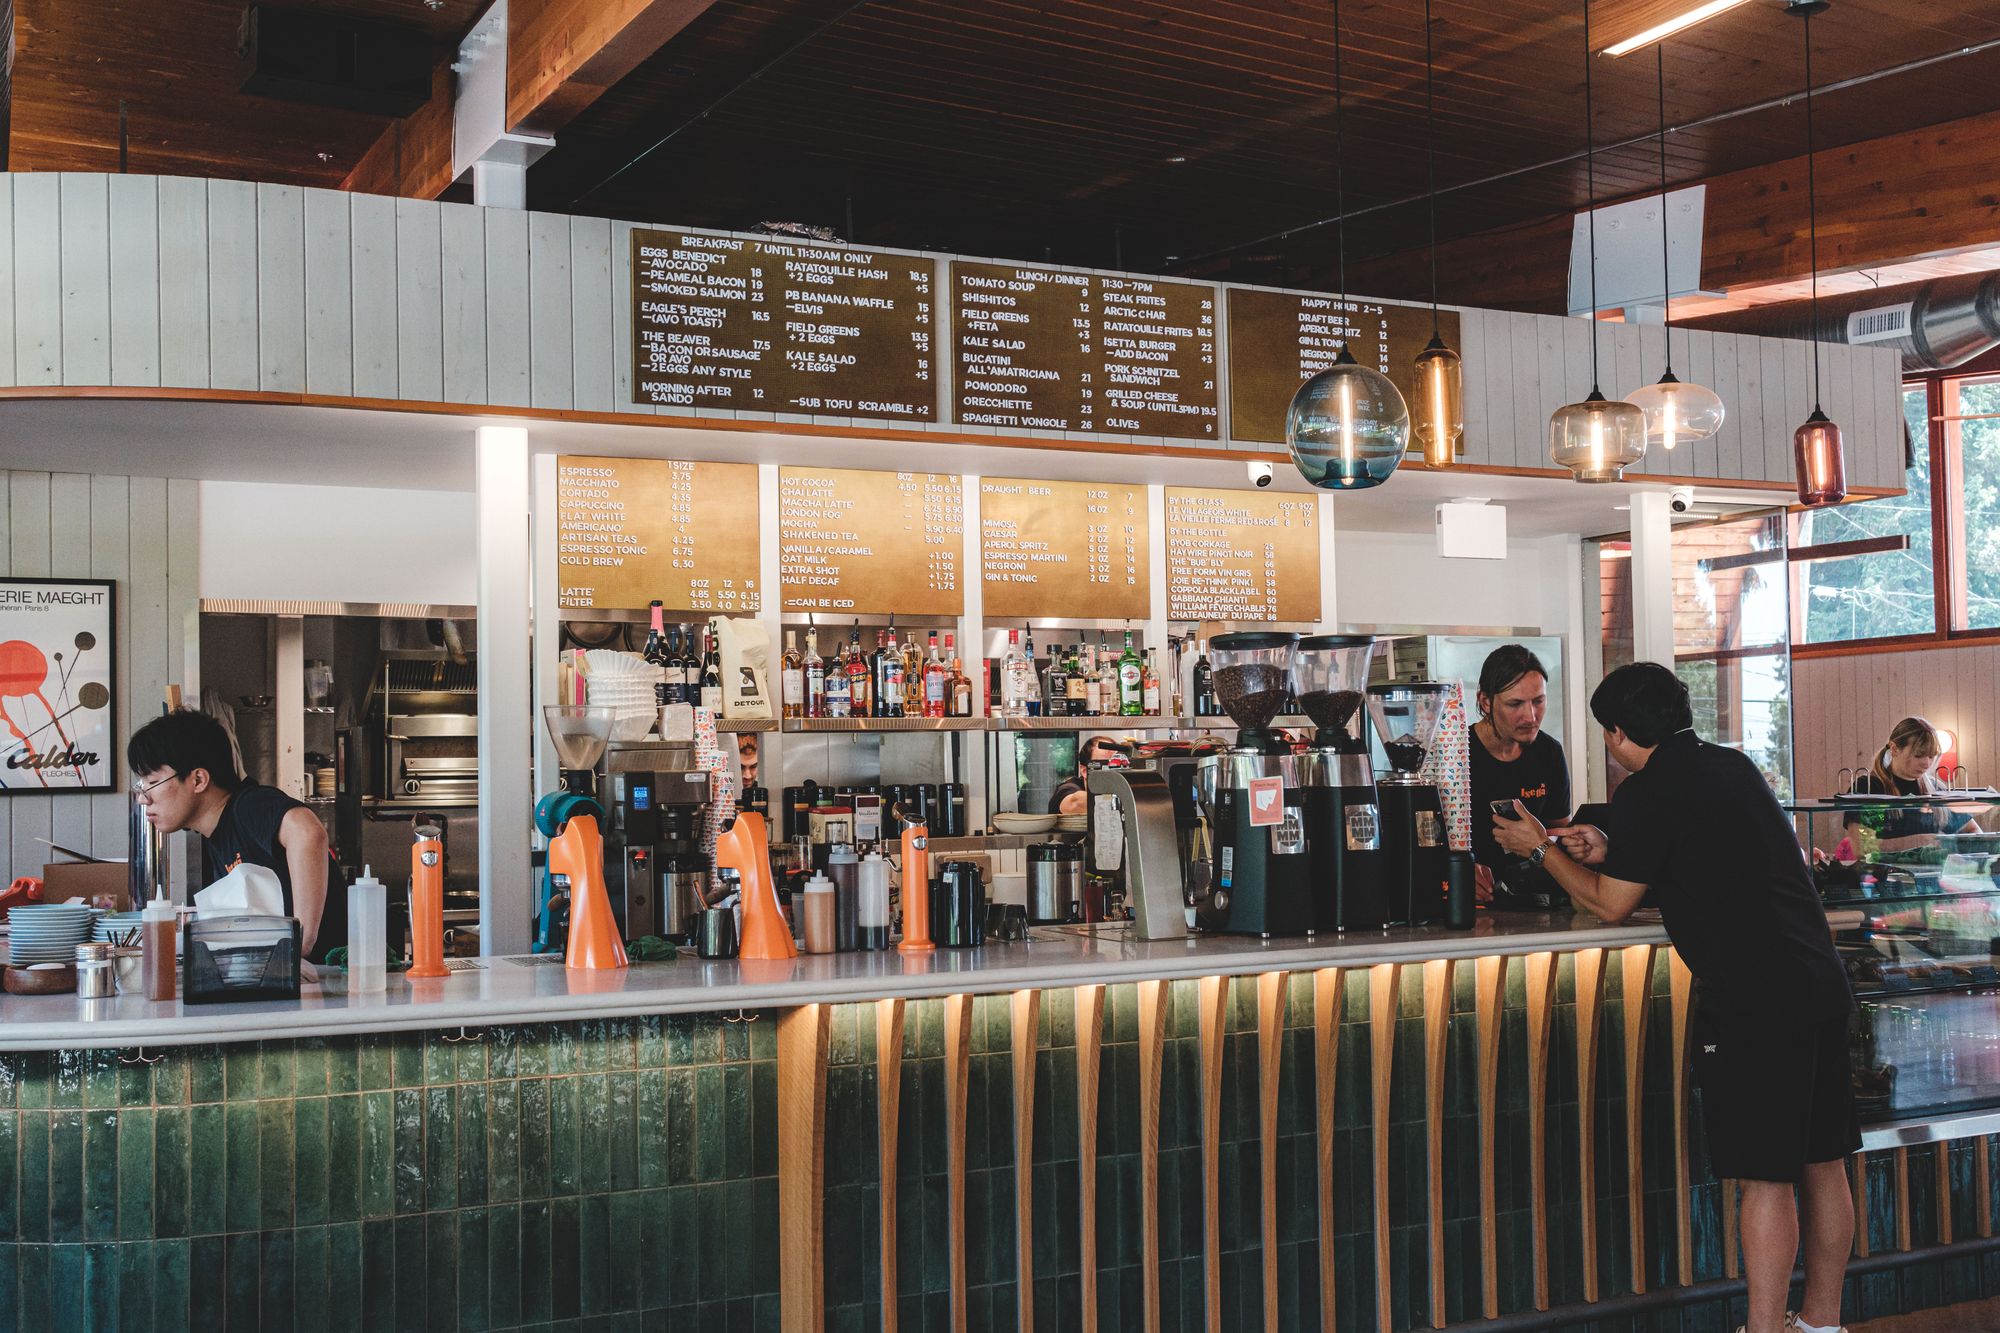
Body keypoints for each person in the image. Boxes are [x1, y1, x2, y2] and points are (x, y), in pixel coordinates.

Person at [1492, 664, 1855, 1333]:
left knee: (1766, 1178)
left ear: (1622, 735)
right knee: (1823, 1162)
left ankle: (1766, 1328)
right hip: (1821, 984)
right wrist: (1606, 844)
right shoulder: (1731, 766)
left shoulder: (1646, 792)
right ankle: (1821, 1324)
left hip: (1755, 1002)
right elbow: (1703, 855)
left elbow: (1608, 902)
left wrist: (1539, 846)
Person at [128, 709, 349, 964]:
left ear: (198, 779)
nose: (143, 798)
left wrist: (302, 939)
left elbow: (308, 832)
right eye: (141, 786)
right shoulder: (216, 837)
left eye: (152, 782)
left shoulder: (248, 806)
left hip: (331, 979)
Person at [1466, 644, 1571, 910]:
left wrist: (1577, 844)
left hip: (1535, 903)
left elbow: (1560, 832)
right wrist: (1453, 873)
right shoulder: (1456, 754)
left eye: (1538, 701)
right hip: (1467, 905)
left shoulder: (1549, 752)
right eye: (1515, 704)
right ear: (1485, 701)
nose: (1531, 716)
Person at [1850, 716, 1979, 846]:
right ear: (1894, 749)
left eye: (1931, 756)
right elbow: (1862, 847)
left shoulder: (1937, 789)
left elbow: (1973, 830)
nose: (1926, 763)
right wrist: (1916, 842)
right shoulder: (1869, 788)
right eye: (1918, 755)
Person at [1049, 735, 1123, 815]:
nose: (1111, 773)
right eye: (1102, 766)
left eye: (1116, 766)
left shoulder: (1120, 788)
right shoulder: (1068, 788)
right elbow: (1076, 803)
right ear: (1084, 771)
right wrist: (1125, 801)